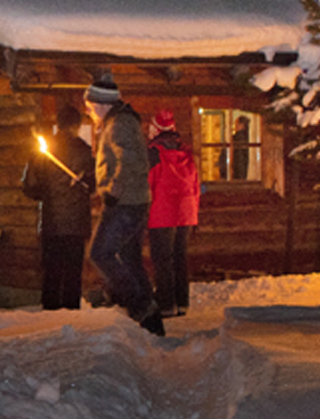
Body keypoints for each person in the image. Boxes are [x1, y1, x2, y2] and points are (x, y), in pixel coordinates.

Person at [84, 72, 165, 336]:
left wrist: (114, 192)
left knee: (100, 253)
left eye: (90, 106)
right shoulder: (115, 122)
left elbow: (132, 162)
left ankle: (140, 307)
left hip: (126, 204)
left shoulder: (120, 123)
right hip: (133, 201)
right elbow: (115, 161)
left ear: (101, 103)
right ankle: (151, 321)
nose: (89, 111)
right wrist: (95, 179)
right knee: (130, 259)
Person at [20, 104, 94, 309]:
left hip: (51, 222)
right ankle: (70, 314)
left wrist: (46, 193)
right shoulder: (85, 151)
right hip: (76, 225)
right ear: (77, 125)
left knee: (51, 271)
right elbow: (93, 185)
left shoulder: (43, 152)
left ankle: (50, 315)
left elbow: (29, 186)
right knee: (72, 272)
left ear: (58, 124)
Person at [147, 108, 201, 317]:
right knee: (180, 258)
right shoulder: (186, 154)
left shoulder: (154, 154)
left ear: (156, 128)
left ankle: (166, 303)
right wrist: (194, 214)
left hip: (162, 213)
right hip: (186, 213)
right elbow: (195, 186)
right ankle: (182, 302)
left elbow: (149, 184)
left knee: (163, 260)